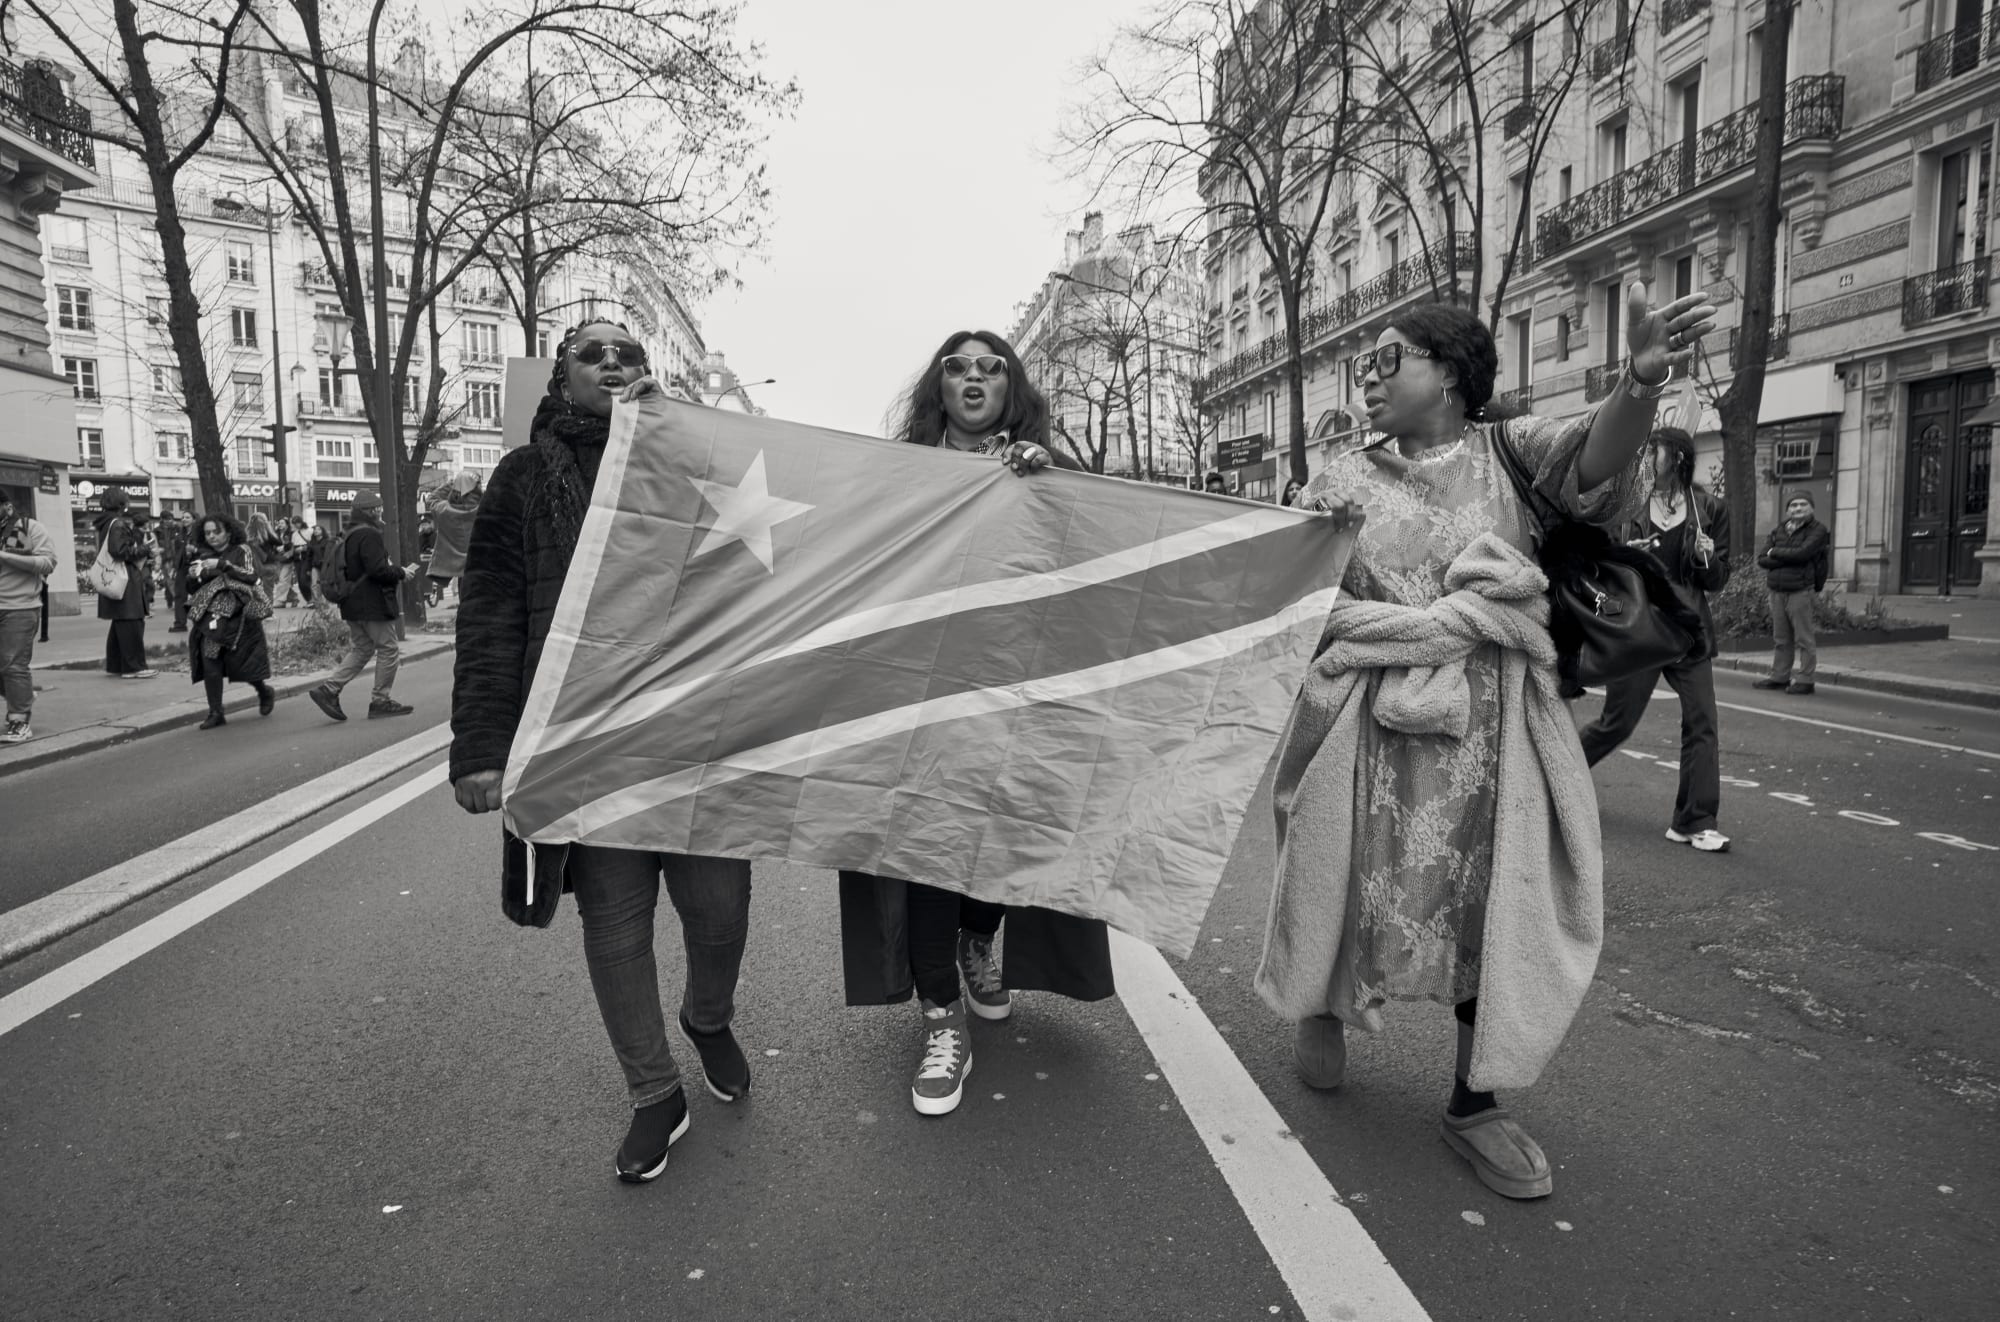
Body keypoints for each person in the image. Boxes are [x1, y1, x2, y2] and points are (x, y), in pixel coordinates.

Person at [1256, 284, 1716, 1201]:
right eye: (1366, 364)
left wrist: (1639, 383)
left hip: (1493, 730)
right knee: (1339, 870)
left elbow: (1596, 453)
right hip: (1364, 723)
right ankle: (1322, 998)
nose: (1370, 376)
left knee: (1488, 904)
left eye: (1390, 357)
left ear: (1453, 374)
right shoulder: (1339, 479)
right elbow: (1272, 579)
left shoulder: (1512, 452)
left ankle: (1477, 1102)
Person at [451, 318, 755, 1185]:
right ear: (562, 381)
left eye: (630, 352)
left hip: (692, 735)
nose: (614, 362)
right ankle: (655, 1093)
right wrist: (480, 746)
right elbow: (492, 613)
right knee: (616, 928)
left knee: (720, 911)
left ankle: (708, 1015)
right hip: (583, 743)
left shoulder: (697, 469)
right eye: (593, 352)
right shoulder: (521, 479)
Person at [841, 329, 1112, 1120]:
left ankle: (975, 942)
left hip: (1012, 692)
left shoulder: (1045, 473)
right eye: (956, 366)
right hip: (920, 693)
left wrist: (1046, 478)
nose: (972, 377)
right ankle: (939, 1018)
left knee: (995, 844)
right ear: (938, 387)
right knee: (929, 849)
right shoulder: (901, 473)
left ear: (1011, 389)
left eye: (991, 367)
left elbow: (1097, 551)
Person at [1577, 427, 1732, 852]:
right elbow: (1597, 565)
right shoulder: (1626, 503)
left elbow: (1717, 578)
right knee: (1616, 724)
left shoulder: (1710, 508)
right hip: (1641, 630)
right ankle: (1552, 778)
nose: (1645, 456)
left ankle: (1694, 820)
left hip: (1688, 630)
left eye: (1653, 450)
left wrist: (1706, 558)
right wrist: (1630, 553)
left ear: (1677, 457)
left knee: (1703, 722)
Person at [307, 493, 418, 720]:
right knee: (388, 649)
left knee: (363, 648)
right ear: (372, 511)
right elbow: (378, 570)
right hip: (372, 603)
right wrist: (400, 572)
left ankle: (329, 690)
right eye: (378, 509)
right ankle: (380, 701)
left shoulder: (350, 534)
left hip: (351, 602)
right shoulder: (369, 534)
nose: (381, 512)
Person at [185, 513, 276, 729]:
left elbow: (252, 576)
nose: (212, 537)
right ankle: (216, 712)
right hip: (211, 617)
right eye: (207, 533)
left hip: (240, 616)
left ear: (228, 531)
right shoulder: (202, 554)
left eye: (216, 532)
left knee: (242, 664)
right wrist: (192, 576)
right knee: (210, 660)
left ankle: (264, 691)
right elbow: (193, 588)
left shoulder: (242, 550)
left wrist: (223, 564)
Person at [1753, 492, 1829, 696]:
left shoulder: (1819, 530)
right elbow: (1762, 559)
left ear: (1811, 508)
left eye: (1803, 504)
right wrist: (1788, 555)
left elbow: (1803, 553)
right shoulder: (1779, 529)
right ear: (1787, 510)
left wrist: (1776, 552)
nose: (1798, 508)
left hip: (1800, 589)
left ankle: (1806, 680)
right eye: (1793, 505)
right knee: (1781, 638)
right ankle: (1779, 677)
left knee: (1804, 638)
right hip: (1777, 590)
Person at [0, 489, 58, 743]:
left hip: (20, 608)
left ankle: (19, 720)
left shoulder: (28, 528)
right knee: (9, 669)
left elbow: (48, 563)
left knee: (13, 664)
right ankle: (21, 694)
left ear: (7, 507)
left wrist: (4, 556)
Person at [93, 489, 156, 679]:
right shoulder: (118, 524)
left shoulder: (105, 523)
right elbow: (119, 551)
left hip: (113, 577)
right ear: (122, 504)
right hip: (125, 580)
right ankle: (133, 667)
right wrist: (146, 548)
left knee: (120, 622)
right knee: (131, 621)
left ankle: (116, 664)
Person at [425, 473, 480, 606]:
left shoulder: (444, 510)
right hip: (481, 567)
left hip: (459, 570)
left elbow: (431, 499)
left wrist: (453, 483)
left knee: (466, 607)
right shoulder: (483, 509)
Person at [163, 512, 194, 632]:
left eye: (187, 517)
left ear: (194, 519)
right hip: (182, 566)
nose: (184, 519)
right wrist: (175, 566)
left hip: (195, 565)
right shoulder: (181, 533)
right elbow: (177, 550)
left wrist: (194, 550)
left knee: (200, 593)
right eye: (183, 517)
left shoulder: (198, 533)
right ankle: (180, 624)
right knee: (180, 594)